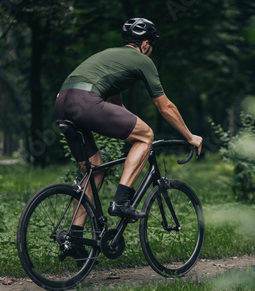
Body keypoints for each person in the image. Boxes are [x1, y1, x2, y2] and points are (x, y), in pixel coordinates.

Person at [55, 18, 203, 257]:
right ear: (145, 44)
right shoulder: (142, 60)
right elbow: (165, 107)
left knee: (95, 169)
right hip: (86, 101)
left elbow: (117, 107)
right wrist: (189, 136)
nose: (151, 51)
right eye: (151, 46)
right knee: (146, 136)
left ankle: (75, 238)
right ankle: (122, 202)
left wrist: (130, 132)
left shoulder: (111, 58)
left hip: (62, 101)